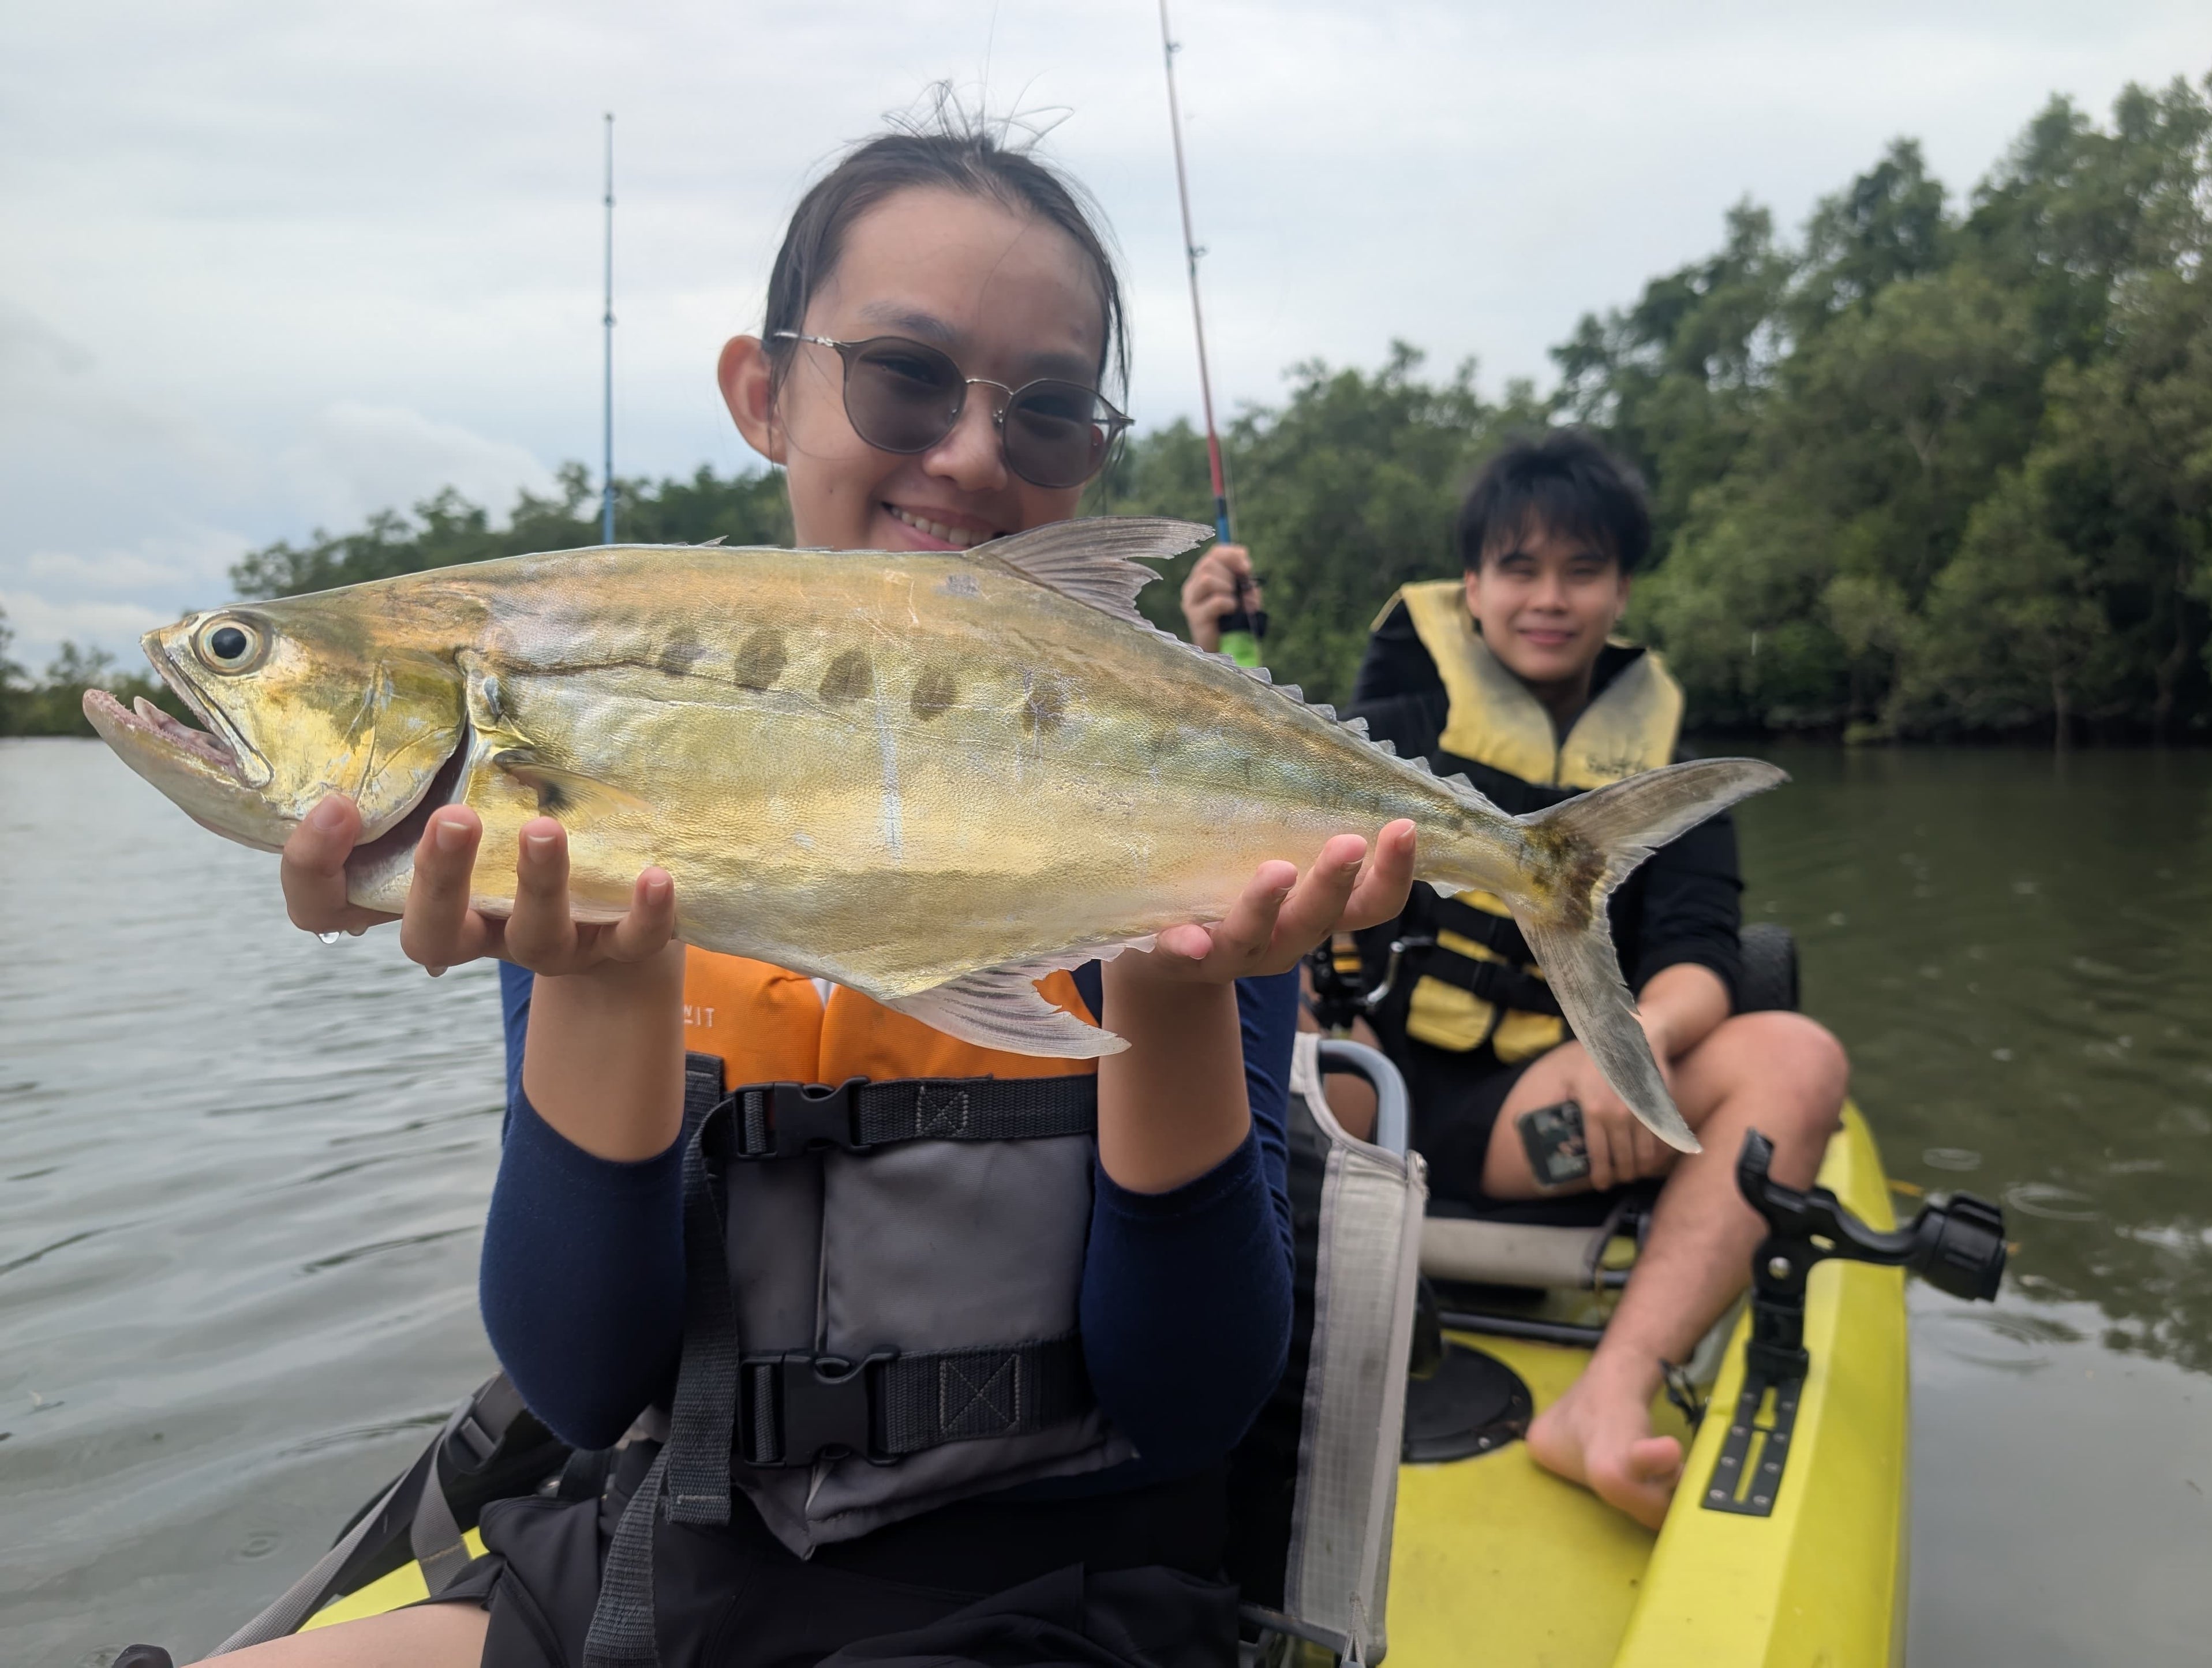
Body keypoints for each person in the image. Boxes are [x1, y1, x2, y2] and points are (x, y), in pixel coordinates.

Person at [222, 115, 1416, 1667]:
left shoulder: (1180, 811)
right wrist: (604, 981)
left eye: (1048, 413)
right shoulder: (602, 796)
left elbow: (1188, 1400)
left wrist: (1176, 984)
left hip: (1052, 1599)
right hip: (662, 1559)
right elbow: (585, 1384)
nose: (971, 454)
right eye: (904, 377)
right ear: (764, 393)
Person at [1181, 430, 1847, 1530]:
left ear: (1620, 590)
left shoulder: (1662, 762)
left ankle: (1609, 1394)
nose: (1549, 598)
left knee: (1799, 1058)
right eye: (1520, 568)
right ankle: (1214, 1391)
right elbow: (1232, 790)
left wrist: (1633, 1044)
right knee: (1220, 961)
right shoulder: (1391, 729)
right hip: (1349, 1097)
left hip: (1530, 1117)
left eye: (1581, 571)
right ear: (1473, 586)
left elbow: (1702, 952)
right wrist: (1216, 660)